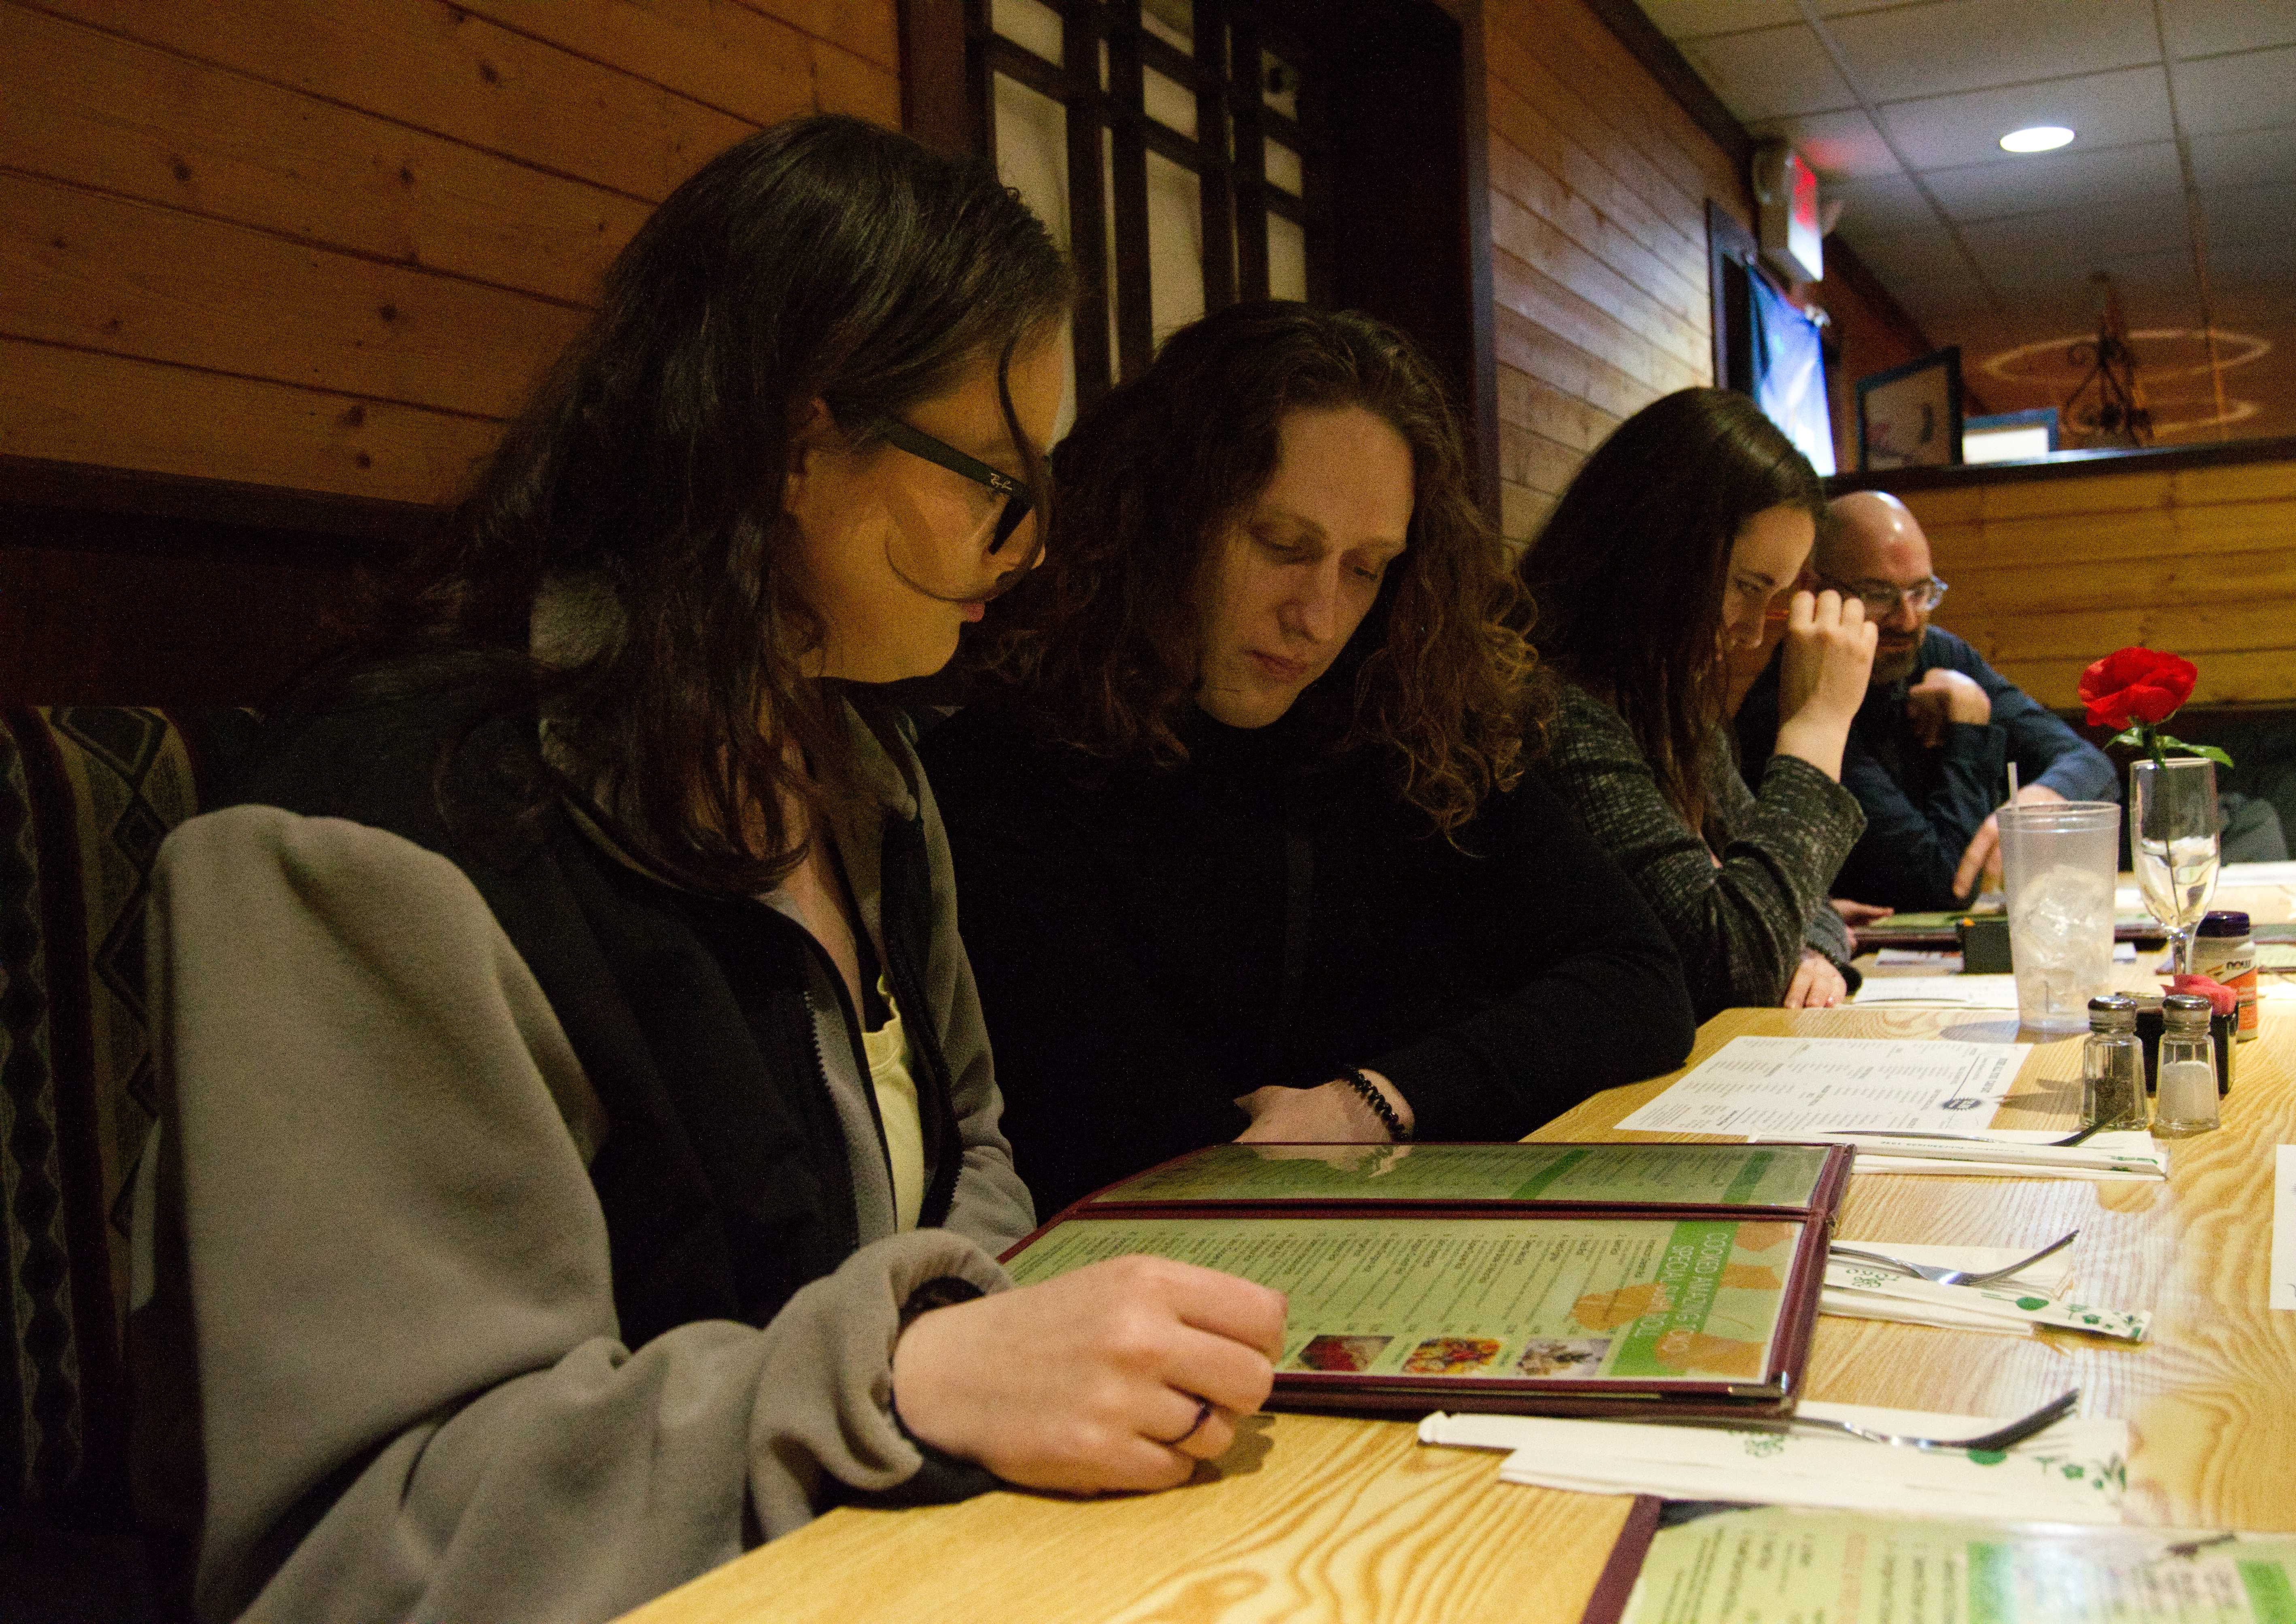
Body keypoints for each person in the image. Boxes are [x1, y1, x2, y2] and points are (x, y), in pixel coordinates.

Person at [129, 117, 1287, 1624]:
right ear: (788, 447)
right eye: (991, 476)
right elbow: (366, 1534)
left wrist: (979, 1357)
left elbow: (975, 1141)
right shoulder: (372, 838)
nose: (1030, 546)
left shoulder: (868, 773)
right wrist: (901, 1380)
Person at [921, 303, 1696, 1218]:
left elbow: (1642, 980)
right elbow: (1152, 1148)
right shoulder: (1011, 766)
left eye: (1366, 568)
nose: (1319, 617)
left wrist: (1375, 1104)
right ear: (1161, 516)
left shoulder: (1400, 715)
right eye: (1282, 547)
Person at [1519, 389, 1881, 1020]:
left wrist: (1811, 946)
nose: (1749, 634)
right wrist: (1818, 727)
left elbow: (1800, 896)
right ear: (1657, 543)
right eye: (1746, 586)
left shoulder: (1667, 706)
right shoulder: (1550, 710)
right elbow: (1731, 964)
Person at [1732, 489, 2116, 912]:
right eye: (1878, 593)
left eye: (1920, 592)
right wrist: (1971, 727)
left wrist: (2047, 796)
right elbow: (1943, 885)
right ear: (1812, 587)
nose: (1907, 618)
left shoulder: (1938, 653)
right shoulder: (1792, 699)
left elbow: (2091, 765)